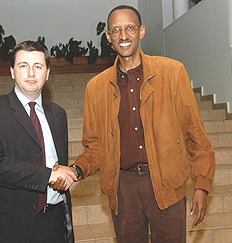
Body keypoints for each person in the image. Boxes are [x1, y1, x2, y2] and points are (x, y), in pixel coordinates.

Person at [70, 5, 215, 243]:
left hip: (167, 186)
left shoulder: (172, 72)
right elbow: (95, 147)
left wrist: (202, 183)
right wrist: (77, 169)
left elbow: (195, 133)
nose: (123, 36)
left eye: (129, 28)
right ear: (108, 36)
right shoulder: (96, 88)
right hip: (123, 189)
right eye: (116, 30)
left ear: (142, 31)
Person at [0, 41, 77, 243]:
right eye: (23, 66)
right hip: (7, 224)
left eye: (38, 66)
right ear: (11, 72)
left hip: (53, 221)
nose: (31, 73)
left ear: (47, 73)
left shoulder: (58, 114)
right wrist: (48, 174)